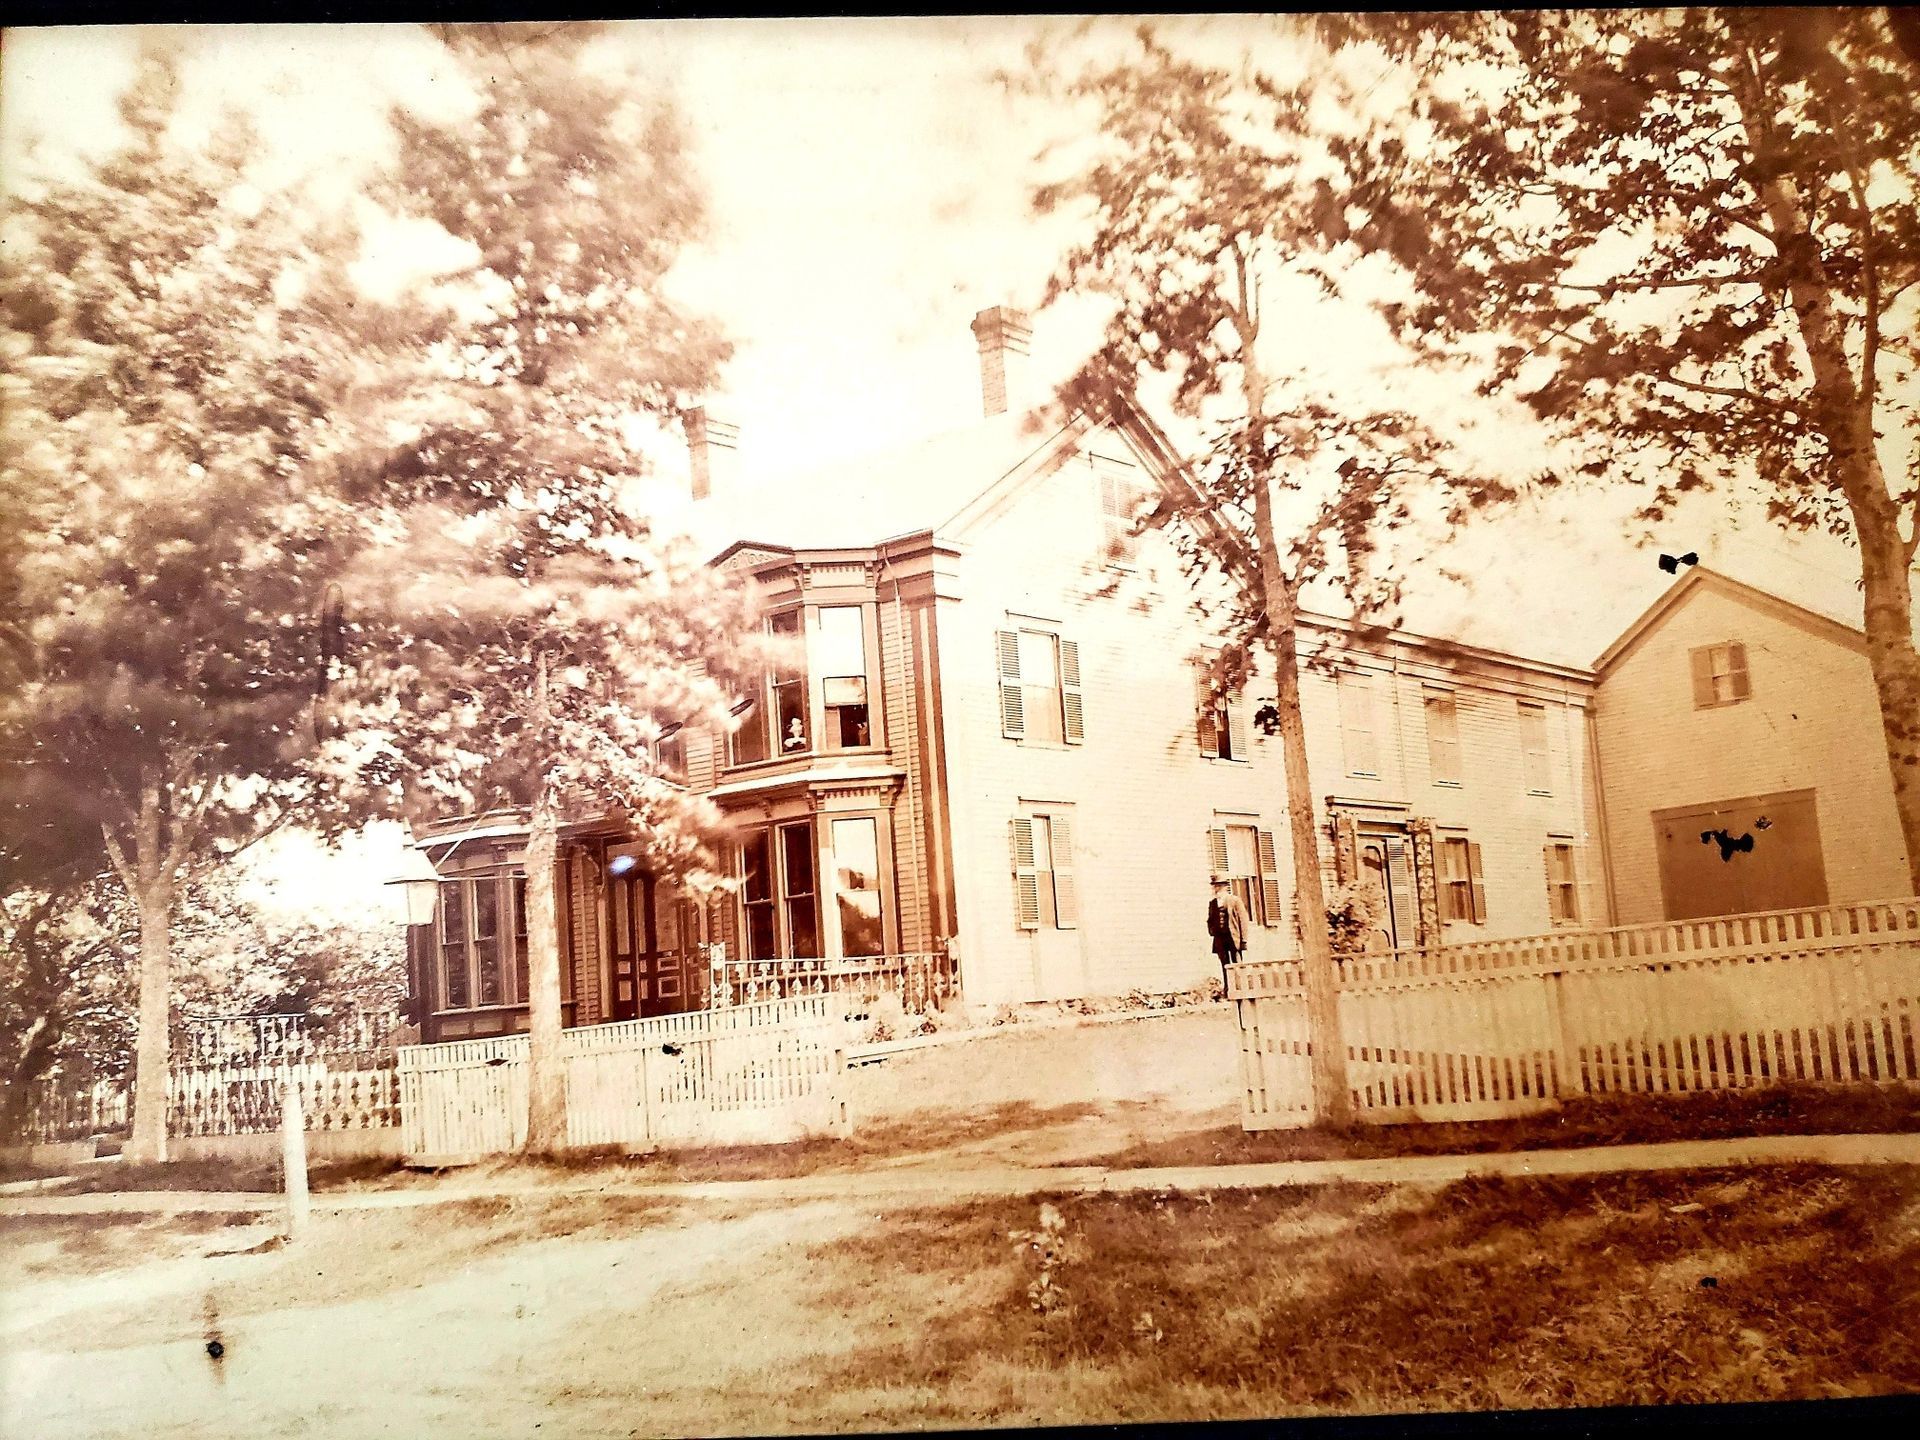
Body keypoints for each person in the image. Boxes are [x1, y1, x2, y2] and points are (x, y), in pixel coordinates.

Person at [1207, 877, 1250, 982]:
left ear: (1225, 887)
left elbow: (1243, 921)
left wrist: (1243, 940)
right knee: (1225, 965)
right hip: (1220, 939)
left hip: (1233, 938)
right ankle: (1228, 988)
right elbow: (1210, 920)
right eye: (1215, 886)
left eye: (1219, 886)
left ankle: (1241, 987)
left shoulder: (1234, 901)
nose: (1217, 889)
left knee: (1237, 964)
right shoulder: (1213, 903)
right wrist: (1213, 931)